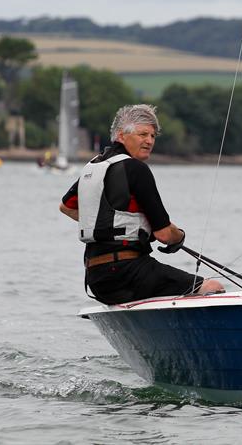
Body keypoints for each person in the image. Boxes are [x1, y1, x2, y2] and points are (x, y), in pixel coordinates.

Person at [59, 104, 223, 304]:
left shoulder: (94, 166)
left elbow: (67, 207)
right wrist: (178, 236)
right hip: (127, 271)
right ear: (121, 136)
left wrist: (108, 223)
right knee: (212, 287)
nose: (149, 141)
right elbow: (163, 234)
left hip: (96, 278)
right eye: (143, 134)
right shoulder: (135, 169)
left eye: (153, 136)